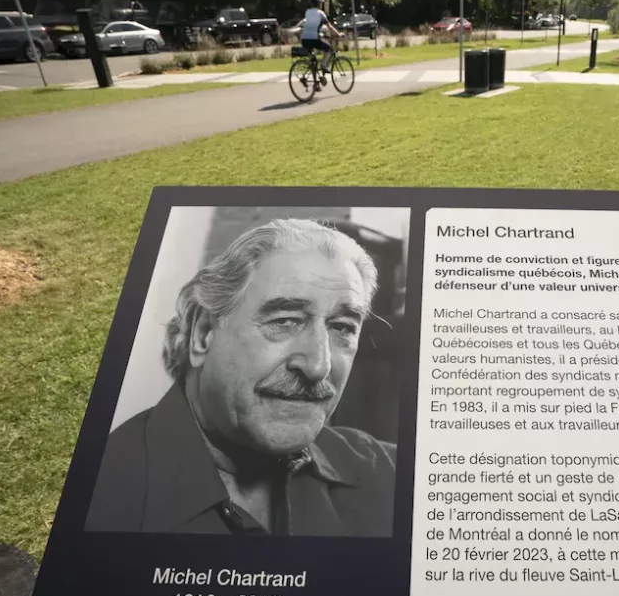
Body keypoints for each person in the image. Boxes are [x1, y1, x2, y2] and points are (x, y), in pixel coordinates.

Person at [86, 218, 396, 537]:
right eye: (285, 320)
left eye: (342, 327)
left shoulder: (392, 475)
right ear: (203, 334)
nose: (318, 366)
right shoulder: (96, 496)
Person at [300, 0, 343, 72]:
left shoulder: (308, 12)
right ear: (319, 3)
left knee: (313, 62)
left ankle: (316, 77)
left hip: (304, 39)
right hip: (313, 39)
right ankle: (323, 65)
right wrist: (338, 34)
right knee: (329, 49)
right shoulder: (320, 13)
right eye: (321, 3)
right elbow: (329, 26)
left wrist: (320, 34)